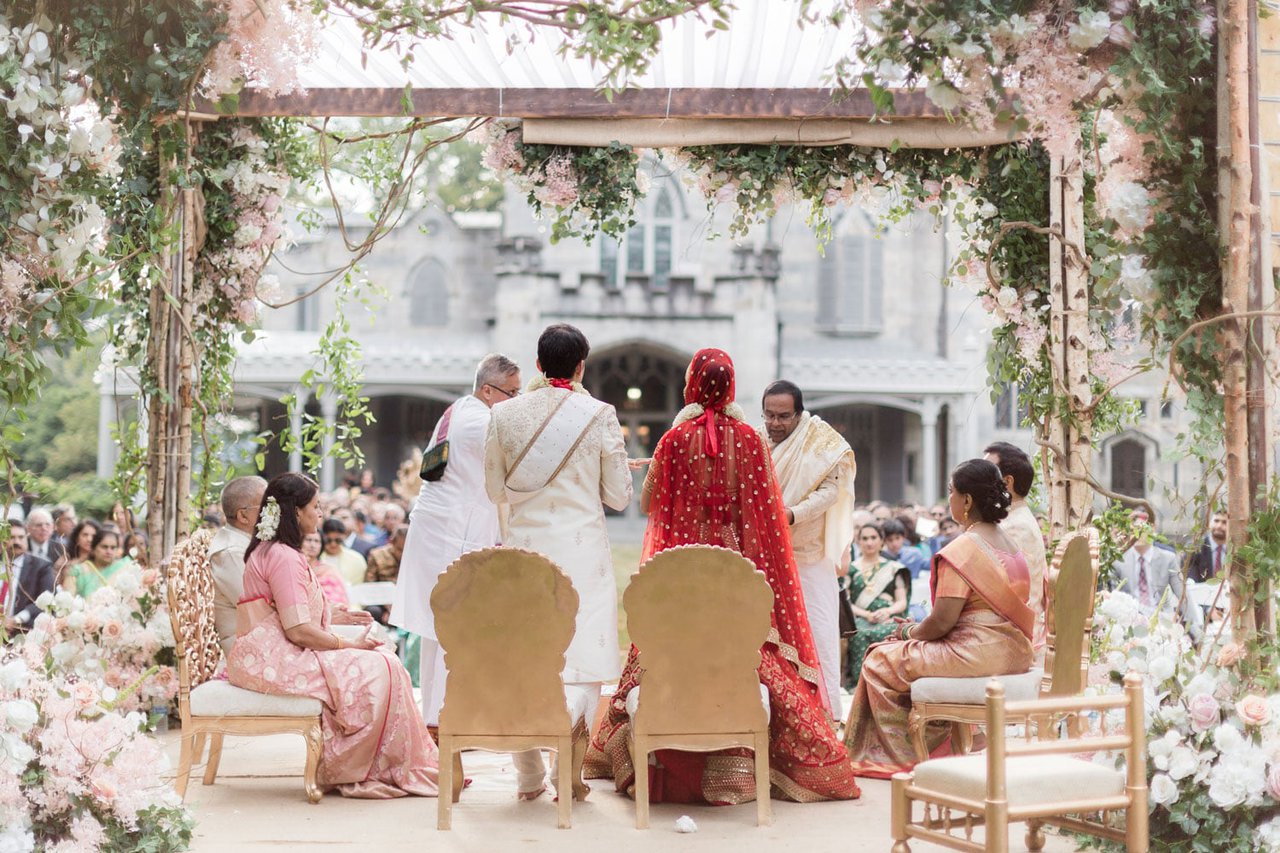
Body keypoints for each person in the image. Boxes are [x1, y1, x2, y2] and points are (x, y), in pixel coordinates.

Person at [585, 348, 860, 804]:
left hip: (680, 573)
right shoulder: (751, 441)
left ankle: (659, 758)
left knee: (668, 649)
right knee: (743, 653)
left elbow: (649, 504)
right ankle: (740, 768)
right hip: (733, 571)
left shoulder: (673, 439)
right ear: (731, 386)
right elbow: (766, 514)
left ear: (692, 385)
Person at [485, 324, 631, 799]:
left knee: (522, 660)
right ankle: (567, 774)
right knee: (582, 662)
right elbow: (618, 497)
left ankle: (527, 776)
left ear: (539, 365)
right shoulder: (600, 414)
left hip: (525, 555)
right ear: (582, 365)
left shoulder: (504, 414)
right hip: (583, 554)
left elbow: (494, 490)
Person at [227, 473, 439, 798]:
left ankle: (386, 762)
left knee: (383, 658)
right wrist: (348, 642)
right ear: (296, 512)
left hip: (274, 650)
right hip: (274, 659)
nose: (321, 514)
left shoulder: (278, 551)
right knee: (382, 667)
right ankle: (361, 767)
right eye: (316, 506)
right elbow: (298, 630)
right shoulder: (282, 556)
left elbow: (293, 609)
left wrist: (338, 614)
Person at [845, 459, 1035, 777]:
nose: (949, 500)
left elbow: (941, 624)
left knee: (878, 659)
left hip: (976, 654)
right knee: (893, 652)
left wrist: (906, 633)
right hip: (1016, 652)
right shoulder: (1010, 544)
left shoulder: (962, 550)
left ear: (967, 500)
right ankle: (962, 737)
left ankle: (901, 757)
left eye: (951, 492)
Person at [392, 354, 521, 731]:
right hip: (451, 534)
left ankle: (437, 722)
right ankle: (443, 727)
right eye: (511, 393)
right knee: (455, 633)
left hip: (441, 529)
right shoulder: (481, 422)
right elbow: (518, 469)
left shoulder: (463, 407)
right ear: (487, 390)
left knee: (441, 636)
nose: (516, 401)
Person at [760, 379, 857, 719]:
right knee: (769, 634)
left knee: (819, 631)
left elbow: (831, 490)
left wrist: (790, 514)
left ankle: (826, 711)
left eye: (783, 416)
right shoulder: (758, 440)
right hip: (768, 554)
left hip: (809, 554)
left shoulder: (822, 443)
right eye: (770, 415)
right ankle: (782, 714)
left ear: (799, 414)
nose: (775, 423)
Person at [983, 441, 1049, 657]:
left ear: (1007, 481)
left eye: (987, 472)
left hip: (1010, 638)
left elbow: (1014, 598)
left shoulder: (1017, 526)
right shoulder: (1007, 519)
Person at [1114, 519, 1203, 642]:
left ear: (1152, 530)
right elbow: (1115, 599)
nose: (1138, 534)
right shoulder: (1119, 561)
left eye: (1142, 529)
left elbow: (1183, 594)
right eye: (1133, 529)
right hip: (1131, 621)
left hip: (1162, 619)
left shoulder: (1168, 558)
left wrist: (1195, 631)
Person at [844, 522, 910, 690]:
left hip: (888, 617)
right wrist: (866, 615)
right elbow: (846, 602)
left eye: (874, 538)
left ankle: (891, 685)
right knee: (859, 633)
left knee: (894, 632)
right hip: (861, 618)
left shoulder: (894, 568)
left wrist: (887, 611)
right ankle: (861, 686)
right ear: (858, 542)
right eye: (864, 538)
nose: (869, 542)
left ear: (882, 541)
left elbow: (901, 602)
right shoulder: (851, 569)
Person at [209, 475, 267, 658]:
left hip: (264, 636)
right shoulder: (230, 553)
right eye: (266, 505)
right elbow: (258, 610)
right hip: (247, 649)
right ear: (243, 515)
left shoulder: (246, 542)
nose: (274, 512)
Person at [3, 520, 56, 634]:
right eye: (11, 537)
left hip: (22, 632)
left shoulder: (41, 567)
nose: (17, 541)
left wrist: (17, 619)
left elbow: (47, 599)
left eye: (21, 537)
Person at [62, 527, 130, 597]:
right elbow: (67, 601)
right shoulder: (78, 571)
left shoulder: (124, 567)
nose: (109, 551)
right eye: (104, 547)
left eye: (113, 548)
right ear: (93, 549)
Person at [364, 524, 407, 624]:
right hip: (381, 601)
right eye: (400, 550)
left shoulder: (414, 557)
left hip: (405, 603)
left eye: (406, 551)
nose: (403, 555)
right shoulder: (377, 555)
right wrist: (388, 607)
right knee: (372, 611)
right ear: (391, 542)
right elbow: (370, 585)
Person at [302, 530, 349, 606]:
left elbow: (339, 598)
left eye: (317, 541)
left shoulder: (328, 570)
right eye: (308, 540)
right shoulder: (295, 568)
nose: (312, 545)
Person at [320, 517, 368, 585]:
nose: (333, 544)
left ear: (344, 538)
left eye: (338, 540)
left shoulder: (357, 559)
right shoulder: (316, 559)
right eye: (329, 540)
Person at [1187, 510, 1229, 583]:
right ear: (1209, 523)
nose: (1219, 526)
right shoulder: (1196, 547)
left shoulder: (1235, 549)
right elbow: (1191, 572)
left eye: (1224, 522)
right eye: (1216, 521)